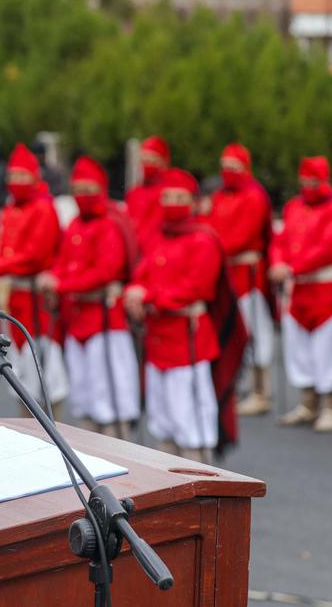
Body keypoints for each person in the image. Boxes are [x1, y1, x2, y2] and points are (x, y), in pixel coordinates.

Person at [124, 169, 237, 462]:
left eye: (179, 197)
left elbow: (195, 288)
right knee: (163, 423)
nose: (172, 202)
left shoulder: (204, 239)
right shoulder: (157, 236)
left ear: (193, 202)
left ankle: (202, 489)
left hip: (188, 342)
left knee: (192, 424)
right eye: (167, 197)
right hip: (159, 340)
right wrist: (136, 289)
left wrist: (148, 295)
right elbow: (142, 273)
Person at [38, 156, 140, 438]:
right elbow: (62, 260)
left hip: (105, 320)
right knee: (84, 392)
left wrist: (62, 284)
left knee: (109, 392)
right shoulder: (74, 225)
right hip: (78, 318)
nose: (83, 197)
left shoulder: (110, 224)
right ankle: (90, 450)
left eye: (88, 190)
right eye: (78, 191)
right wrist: (53, 276)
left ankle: (118, 449)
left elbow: (105, 272)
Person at [0, 144, 68, 415]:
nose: (16, 183)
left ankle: (54, 431)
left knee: (45, 370)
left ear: (34, 178)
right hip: (13, 295)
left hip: (35, 299)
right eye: (12, 177)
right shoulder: (8, 210)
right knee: (19, 369)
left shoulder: (43, 208)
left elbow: (34, 255)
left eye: (22, 177)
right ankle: (27, 430)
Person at [270, 156, 332, 433]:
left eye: (313, 182)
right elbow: (279, 241)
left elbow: (330, 246)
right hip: (299, 287)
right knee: (300, 347)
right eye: (304, 182)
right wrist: (278, 262)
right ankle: (308, 402)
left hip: (328, 289)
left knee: (329, 349)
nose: (308, 187)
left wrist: (291, 266)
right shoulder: (294, 207)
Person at [205, 144, 275, 416]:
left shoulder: (254, 196)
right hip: (227, 272)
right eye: (224, 166)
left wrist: (212, 247)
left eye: (233, 167)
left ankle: (261, 389)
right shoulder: (220, 196)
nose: (227, 172)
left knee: (256, 333)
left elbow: (243, 236)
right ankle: (237, 384)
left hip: (248, 274)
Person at [126, 135, 170, 256]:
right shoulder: (134, 193)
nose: (147, 164)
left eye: (152, 160)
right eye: (144, 160)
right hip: (133, 251)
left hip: (155, 252)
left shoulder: (168, 193)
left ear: (162, 162)